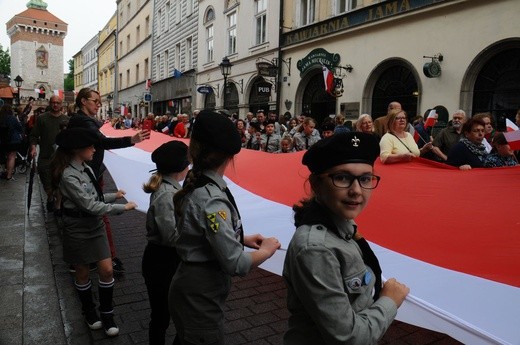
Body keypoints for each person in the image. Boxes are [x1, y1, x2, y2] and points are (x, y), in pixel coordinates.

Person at [283, 132, 410, 344]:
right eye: (342, 177)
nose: (357, 191)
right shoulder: (317, 249)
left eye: (365, 178)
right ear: (316, 184)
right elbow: (350, 338)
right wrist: (389, 301)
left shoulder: (341, 226)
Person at [169, 110, 281, 344]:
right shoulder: (211, 198)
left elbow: (202, 233)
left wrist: (242, 239)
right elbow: (235, 264)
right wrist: (267, 251)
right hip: (200, 295)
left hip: (192, 288)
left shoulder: (200, 183)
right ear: (230, 155)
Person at [50, 127, 137, 337]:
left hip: (94, 226)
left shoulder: (86, 167)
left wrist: (112, 195)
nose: (94, 148)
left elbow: (94, 197)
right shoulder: (68, 175)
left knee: (106, 270)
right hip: (77, 227)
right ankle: (89, 311)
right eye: (90, 145)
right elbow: (89, 205)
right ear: (77, 149)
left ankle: (107, 313)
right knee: (82, 271)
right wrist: (122, 208)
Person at [67, 87, 150, 274]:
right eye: (95, 101)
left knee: (92, 216)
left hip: (91, 172)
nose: (98, 104)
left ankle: (94, 257)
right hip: (89, 174)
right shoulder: (84, 122)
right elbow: (103, 142)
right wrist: (131, 139)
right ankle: (104, 258)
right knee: (97, 216)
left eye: (99, 101)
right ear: (83, 101)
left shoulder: (85, 121)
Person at [142, 141, 190, 345]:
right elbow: (171, 236)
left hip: (165, 259)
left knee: (168, 313)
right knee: (163, 315)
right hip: (163, 261)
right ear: (180, 168)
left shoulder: (169, 188)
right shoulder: (167, 194)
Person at [29, 96, 69, 210]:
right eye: (53, 102)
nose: (55, 105)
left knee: (60, 182)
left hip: (61, 157)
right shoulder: (42, 118)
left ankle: (57, 203)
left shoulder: (66, 119)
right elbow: (34, 135)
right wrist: (33, 148)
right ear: (50, 104)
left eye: (58, 103)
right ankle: (51, 197)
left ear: (61, 104)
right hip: (45, 156)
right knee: (45, 179)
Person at [0, 105, 24, 181]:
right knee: (11, 157)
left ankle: (3, 171)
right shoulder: (13, 118)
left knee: (4, 156)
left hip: (2, 141)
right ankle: (9, 175)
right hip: (13, 141)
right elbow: (20, 129)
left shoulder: (1, 118)